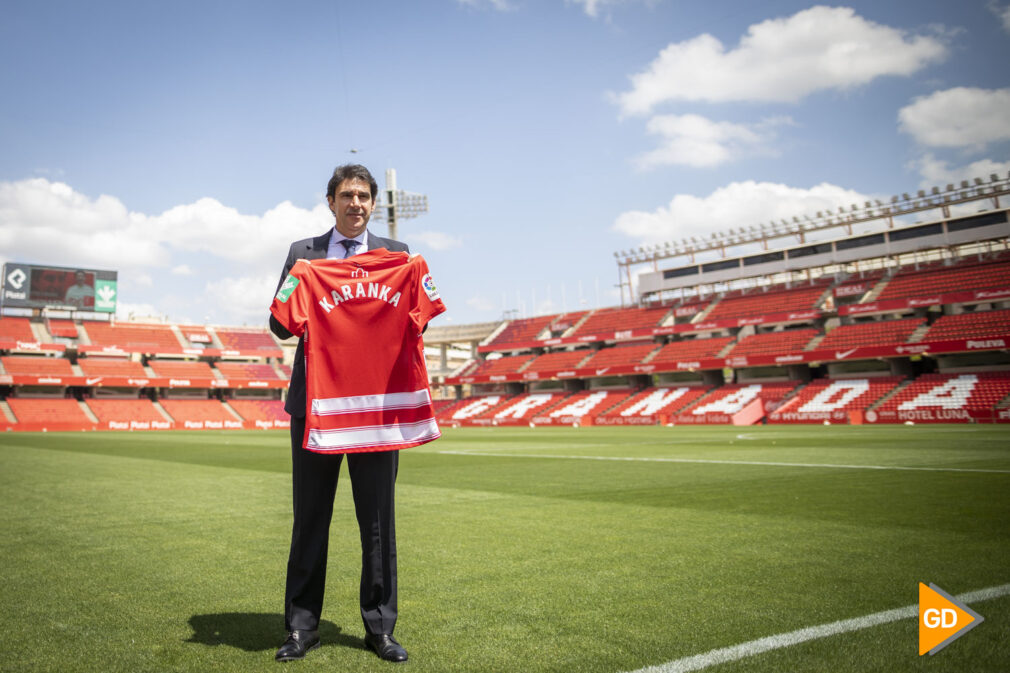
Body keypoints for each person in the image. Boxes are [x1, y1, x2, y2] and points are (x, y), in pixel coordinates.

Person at [269, 164, 411, 663]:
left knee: (378, 523)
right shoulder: (302, 255)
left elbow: (415, 324)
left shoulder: (398, 257)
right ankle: (302, 627)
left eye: (364, 196)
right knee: (310, 518)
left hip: (377, 409)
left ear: (374, 204)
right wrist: (296, 286)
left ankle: (380, 628)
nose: (356, 203)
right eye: (347, 195)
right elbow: (279, 324)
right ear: (330, 201)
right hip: (316, 406)